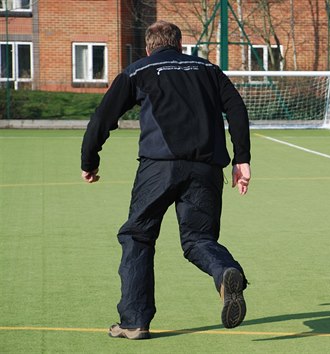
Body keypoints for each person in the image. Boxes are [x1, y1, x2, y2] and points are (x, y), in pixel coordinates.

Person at [81, 20, 251, 339]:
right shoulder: (209, 70)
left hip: (159, 168)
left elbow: (102, 117)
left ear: (148, 48)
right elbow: (237, 110)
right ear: (181, 46)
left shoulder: (138, 70)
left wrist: (89, 160)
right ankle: (225, 272)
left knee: (138, 236)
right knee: (199, 240)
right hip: (206, 168)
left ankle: (134, 321)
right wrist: (242, 159)